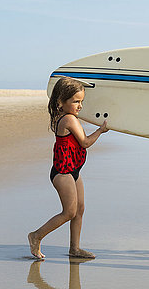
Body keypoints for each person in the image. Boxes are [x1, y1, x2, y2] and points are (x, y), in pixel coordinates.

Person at [28, 77, 109, 259]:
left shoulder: (68, 116)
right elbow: (85, 142)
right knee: (69, 212)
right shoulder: (69, 119)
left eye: (82, 101)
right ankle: (36, 236)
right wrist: (100, 130)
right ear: (61, 102)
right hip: (63, 173)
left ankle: (75, 248)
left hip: (73, 170)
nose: (80, 105)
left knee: (80, 209)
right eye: (76, 101)